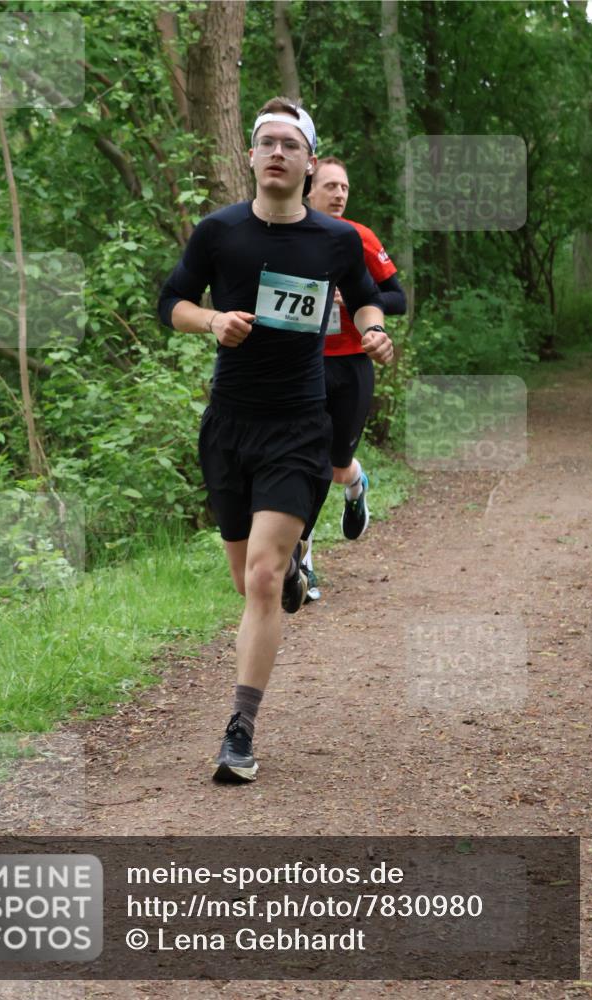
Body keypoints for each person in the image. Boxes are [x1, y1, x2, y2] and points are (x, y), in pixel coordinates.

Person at [157, 98, 393, 783]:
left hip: (299, 423)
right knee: (248, 578)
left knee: (259, 578)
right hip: (229, 424)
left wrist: (373, 330)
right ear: (252, 157)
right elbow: (170, 302)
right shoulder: (219, 232)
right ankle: (286, 571)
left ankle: (239, 731)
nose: (278, 153)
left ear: (308, 161)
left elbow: (365, 293)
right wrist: (209, 323)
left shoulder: (335, 240)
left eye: (291, 144)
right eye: (267, 143)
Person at [302, 156, 407, 600]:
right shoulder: (290, 237)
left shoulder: (358, 238)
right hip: (303, 364)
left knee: (336, 465)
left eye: (344, 187)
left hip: (352, 363)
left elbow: (397, 299)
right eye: (331, 186)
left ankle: (356, 483)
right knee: (306, 462)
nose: (340, 194)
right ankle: (300, 562)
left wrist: (356, 302)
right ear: (309, 190)